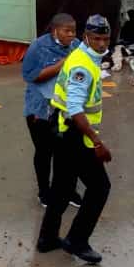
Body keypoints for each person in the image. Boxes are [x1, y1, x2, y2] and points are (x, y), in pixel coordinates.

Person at [37, 14, 114, 265]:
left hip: (61, 132)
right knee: (100, 187)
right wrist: (98, 143)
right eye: (96, 38)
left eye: (105, 38)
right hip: (74, 135)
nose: (102, 44)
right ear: (86, 37)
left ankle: (47, 239)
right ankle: (77, 240)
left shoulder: (86, 57)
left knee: (61, 188)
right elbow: (75, 108)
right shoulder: (82, 64)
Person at [21, 13, 79, 208]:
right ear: (55, 30)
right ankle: (44, 192)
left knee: (68, 152)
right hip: (40, 109)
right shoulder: (38, 47)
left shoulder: (77, 46)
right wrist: (61, 65)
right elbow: (30, 76)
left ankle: (68, 190)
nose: (71, 35)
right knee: (44, 152)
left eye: (74, 31)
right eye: (67, 31)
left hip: (66, 109)